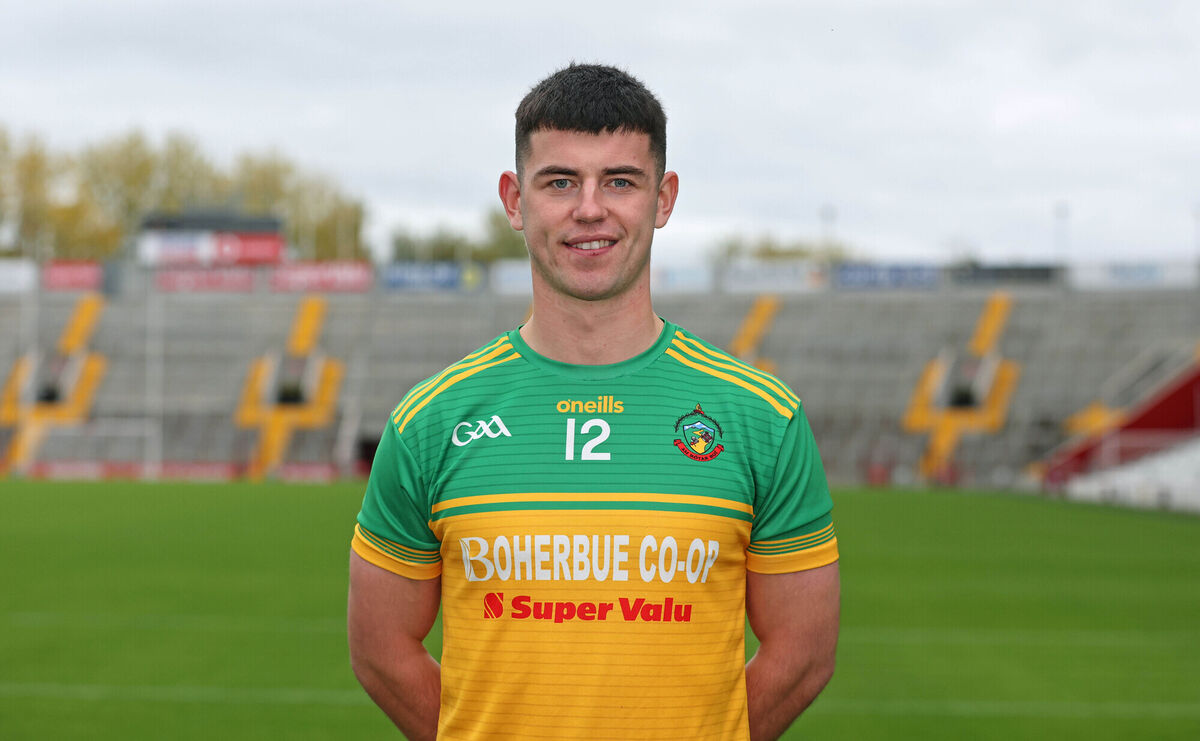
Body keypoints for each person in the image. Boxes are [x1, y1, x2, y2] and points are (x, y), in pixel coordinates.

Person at [348, 63, 839, 741]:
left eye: (619, 181)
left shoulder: (762, 416)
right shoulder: (431, 421)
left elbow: (804, 654)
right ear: (514, 200)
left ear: (663, 198)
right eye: (559, 181)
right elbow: (380, 649)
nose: (589, 209)